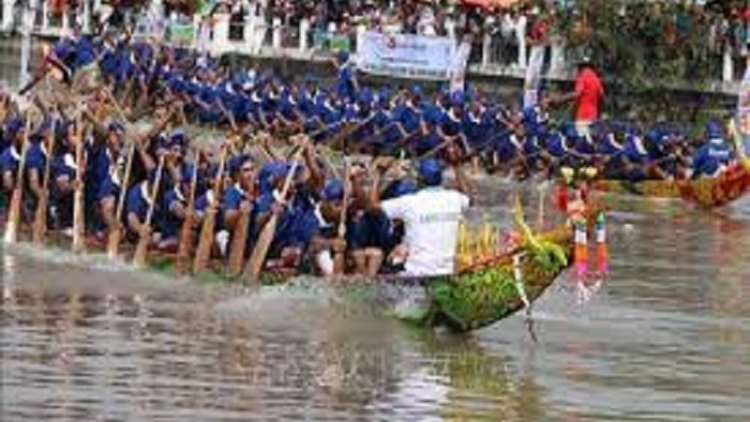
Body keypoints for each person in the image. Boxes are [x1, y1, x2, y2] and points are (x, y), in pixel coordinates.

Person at [367, 157, 471, 276]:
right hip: (447, 272)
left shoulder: (410, 202)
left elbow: (372, 207)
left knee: (391, 264)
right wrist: (457, 165)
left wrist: (379, 174)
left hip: (416, 272)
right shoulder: (455, 199)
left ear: (419, 179)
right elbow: (469, 197)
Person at [549, 57, 605, 138]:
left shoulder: (583, 75)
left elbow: (577, 93)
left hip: (583, 116)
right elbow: (602, 97)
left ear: (581, 66)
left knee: (582, 142)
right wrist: (599, 113)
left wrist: (560, 99)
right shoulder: (596, 78)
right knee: (590, 143)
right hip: (593, 116)